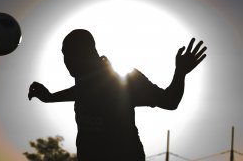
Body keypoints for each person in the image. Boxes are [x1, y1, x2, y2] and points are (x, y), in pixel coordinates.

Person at [28, 29, 207, 161]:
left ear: (87, 53)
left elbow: (170, 101)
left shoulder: (125, 80)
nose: (66, 61)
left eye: (71, 54)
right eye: (64, 55)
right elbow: (81, 92)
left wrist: (180, 73)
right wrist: (50, 97)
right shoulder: (84, 84)